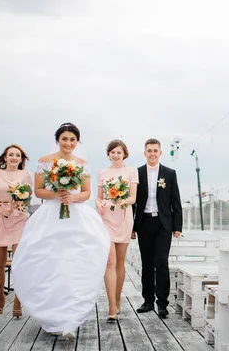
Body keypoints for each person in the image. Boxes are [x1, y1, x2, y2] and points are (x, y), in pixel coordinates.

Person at [11, 123, 110, 339]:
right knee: (51, 265)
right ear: (58, 139)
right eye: (64, 139)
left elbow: (86, 193)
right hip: (51, 217)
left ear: (77, 142)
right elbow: (38, 191)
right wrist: (57, 193)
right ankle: (51, 317)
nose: (68, 143)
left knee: (75, 266)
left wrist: (72, 197)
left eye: (72, 139)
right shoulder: (45, 162)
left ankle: (70, 320)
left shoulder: (82, 163)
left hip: (77, 217)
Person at [133, 138, 182, 318]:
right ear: (145, 152)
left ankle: (162, 303)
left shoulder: (169, 173)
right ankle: (148, 301)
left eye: (155, 150)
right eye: (149, 150)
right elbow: (133, 203)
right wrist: (131, 226)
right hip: (144, 223)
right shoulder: (136, 173)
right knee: (147, 264)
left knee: (161, 262)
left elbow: (175, 201)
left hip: (163, 224)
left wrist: (177, 226)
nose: (152, 153)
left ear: (160, 152)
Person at [0, 144, 32, 318]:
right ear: (5, 157)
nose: (14, 157)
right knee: (0, 261)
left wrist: (20, 204)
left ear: (21, 159)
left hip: (19, 218)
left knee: (18, 261)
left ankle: (18, 301)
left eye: (17, 155)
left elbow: (29, 196)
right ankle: (0, 298)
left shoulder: (25, 175)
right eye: (11, 155)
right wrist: (0, 209)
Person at [96, 140, 138, 322]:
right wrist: (98, 204)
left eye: (118, 152)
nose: (115, 155)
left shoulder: (131, 171)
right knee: (109, 260)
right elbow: (98, 198)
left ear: (124, 154)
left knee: (120, 261)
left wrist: (122, 200)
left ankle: (118, 298)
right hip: (106, 219)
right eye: (112, 152)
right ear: (109, 154)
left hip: (123, 218)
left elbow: (133, 197)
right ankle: (111, 305)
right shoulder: (102, 173)